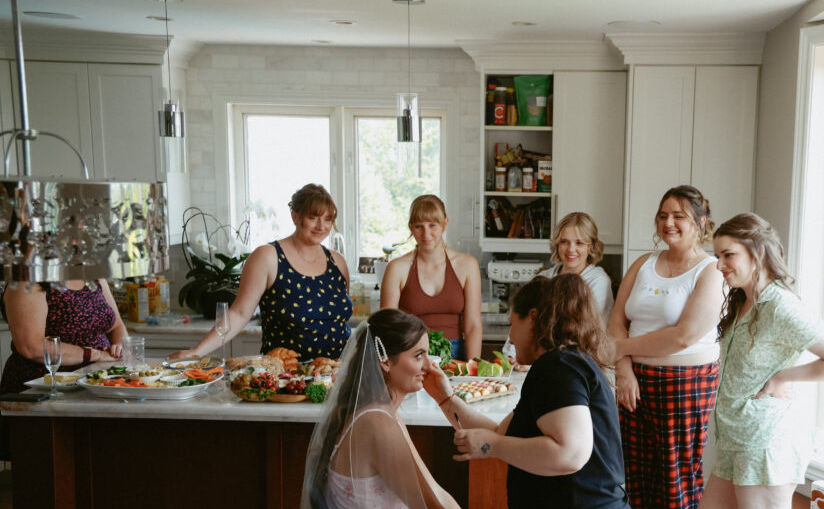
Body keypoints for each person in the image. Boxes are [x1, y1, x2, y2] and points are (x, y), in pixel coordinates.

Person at [643, 212, 824, 509]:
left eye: (728, 255)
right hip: (739, 440)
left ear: (757, 252)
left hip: (767, 443)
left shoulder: (781, 306)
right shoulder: (745, 301)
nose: (719, 265)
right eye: (717, 256)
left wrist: (783, 377)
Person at [424, 274, 638, 509]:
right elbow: (501, 433)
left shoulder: (558, 366)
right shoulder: (564, 363)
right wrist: (444, 397)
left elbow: (570, 454)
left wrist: (491, 447)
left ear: (533, 319)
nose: (510, 337)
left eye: (513, 323)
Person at [296, 308, 521, 509]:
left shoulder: (384, 414)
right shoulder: (377, 424)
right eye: (418, 355)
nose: (430, 366)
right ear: (385, 362)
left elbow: (437, 493)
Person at [608, 185, 724, 509]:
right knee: (637, 473)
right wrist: (624, 370)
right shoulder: (643, 263)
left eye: (679, 216)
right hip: (635, 380)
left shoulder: (711, 271)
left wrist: (621, 349)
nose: (668, 223)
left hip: (686, 383)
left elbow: (684, 335)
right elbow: (616, 320)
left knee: (676, 475)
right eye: (662, 215)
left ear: (701, 224)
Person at [171, 184, 353, 362]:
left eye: (328, 219)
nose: (321, 226)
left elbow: (340, 320)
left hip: (339, 372)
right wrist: (197, 351)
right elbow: (239, 313)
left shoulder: (337, 262)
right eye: (313, 217)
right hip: (286, 375)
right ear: (295, 216)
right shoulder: (268, 257)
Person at [502, 211, 614, 367]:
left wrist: (536, 359)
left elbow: (585, 334)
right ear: (556, 244)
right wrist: (511, 355)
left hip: (579, 364)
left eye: (579, 243)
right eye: (564, 242)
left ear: (591, 246)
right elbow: (522, 318)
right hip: (536, 364)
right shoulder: (544, 278)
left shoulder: (598, 281)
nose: (571, 249)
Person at [380, 195, 481, 361]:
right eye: (418, 226)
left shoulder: (467, 265)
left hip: (455, 354)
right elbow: (387, 327)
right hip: (411, 353)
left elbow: (473, 325)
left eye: (432, 225)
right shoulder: (396, 268)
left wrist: (473, 367)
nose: (426, 234)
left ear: (445, 224)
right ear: (411, 228)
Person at [1, 279, 126, 392]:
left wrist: (119, 347)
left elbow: (117, 326)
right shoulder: (28, 281)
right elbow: (31, 347)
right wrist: (95, 355)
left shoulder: (93, 277)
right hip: (44, 385)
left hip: (96, 380)